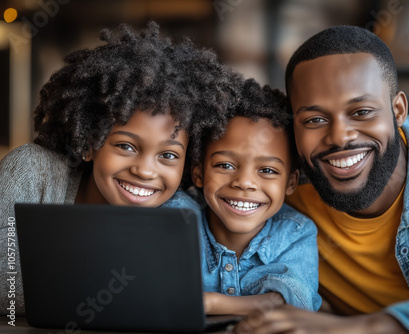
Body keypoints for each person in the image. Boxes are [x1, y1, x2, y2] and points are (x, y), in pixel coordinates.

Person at [233, 26, 409, 333]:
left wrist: (360, 328)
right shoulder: (276, 180)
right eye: (315, 120)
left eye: (361, 111)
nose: (339, 137)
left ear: (397, 110)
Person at [0, 21, 241, 315]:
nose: (145, 171)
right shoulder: (32, 172)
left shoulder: (181, 215)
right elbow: (4, 292)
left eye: (168, 155)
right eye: (125, 146)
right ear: (89, 143)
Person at [190, 78, 322, 315]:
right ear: (198, 172)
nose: (244, 182)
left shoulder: (295, 233)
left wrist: (212, 303)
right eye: (225, 165)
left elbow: (294, 301)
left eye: (267, 170)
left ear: (290, 182)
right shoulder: (178, 219)